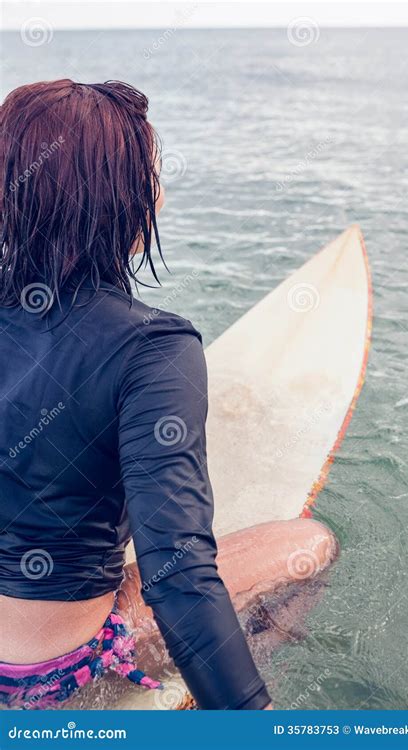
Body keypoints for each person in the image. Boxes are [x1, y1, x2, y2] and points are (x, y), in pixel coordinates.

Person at [0, 79, 335, 710]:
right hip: (50, 668)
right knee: (311, 543)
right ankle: (216, 687)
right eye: (149, 176)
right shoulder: (151, 348)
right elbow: (177, 571)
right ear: (117, 202)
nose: (159, 192)